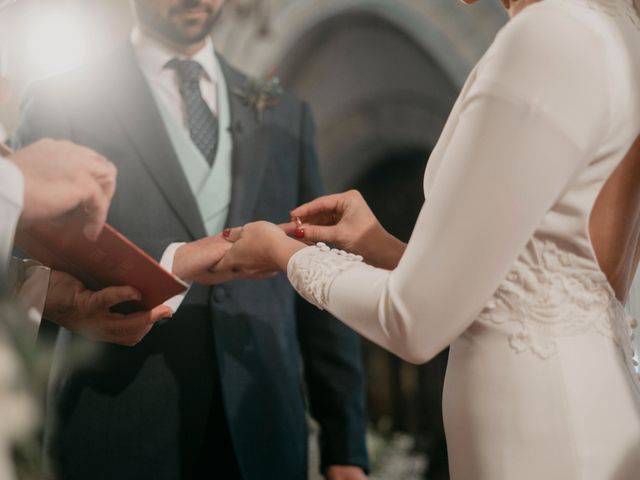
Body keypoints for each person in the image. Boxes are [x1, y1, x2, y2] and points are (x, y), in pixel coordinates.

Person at [216, 0, 640, 478]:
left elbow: (412, 322)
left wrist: (282, 252)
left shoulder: (549, 34)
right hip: (578, 408)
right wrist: (380, 246)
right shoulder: (611, 30)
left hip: (538, 428)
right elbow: (517, 289)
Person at [13, 1, 369, 479]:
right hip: (116, 428)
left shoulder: (287, 114)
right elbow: (21, 257)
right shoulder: (62, 99)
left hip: (264, 430)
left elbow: (321, 274)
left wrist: (344, 445)